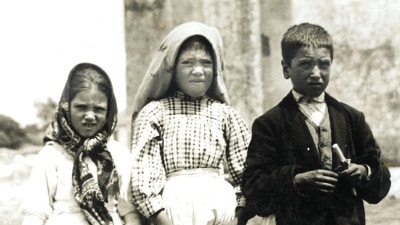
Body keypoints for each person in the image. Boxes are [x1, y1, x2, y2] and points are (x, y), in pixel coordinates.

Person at [241, 23, 391, 225]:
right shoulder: (270, 123)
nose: (316, 72)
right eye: (305, 64)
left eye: (323, 64)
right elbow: (253, 186)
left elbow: (379, 176)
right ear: (286, 68)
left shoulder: (352, 118)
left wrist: (364, 172)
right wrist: (295, 180)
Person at [130, 21, 251, 225]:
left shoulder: (225, 114)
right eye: (187, 62)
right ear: (171, 68)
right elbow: (143, 180)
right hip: (172, 217)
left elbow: (247, 175)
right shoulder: (154, 113)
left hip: (223, 217)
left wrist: (237, 220)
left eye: (206, 62)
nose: (198, 70)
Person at [19, 63, 142, 225]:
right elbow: (35, 213)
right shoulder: (52, 155)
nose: (90, 115)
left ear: (109, 111)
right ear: (67, 107)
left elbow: (130, 212)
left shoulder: (118, 154)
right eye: (81, 107)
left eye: (98, 109)